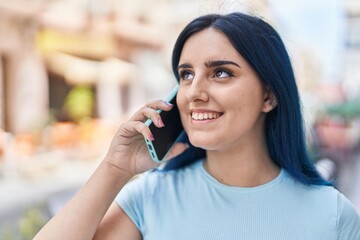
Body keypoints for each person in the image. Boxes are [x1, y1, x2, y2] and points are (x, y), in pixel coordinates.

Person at [34, 12, 360, 240]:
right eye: (186, 74)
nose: (194, 93)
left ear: (269, 96)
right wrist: (115, 169)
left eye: (220, 73)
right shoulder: (151, 197)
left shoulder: (331, 216)